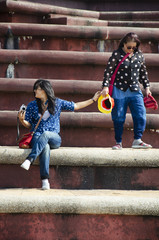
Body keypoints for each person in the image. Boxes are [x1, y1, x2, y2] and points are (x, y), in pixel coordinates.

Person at [19, 79, 101, 190]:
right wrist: (21, 119)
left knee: (47, 134)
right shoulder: (32, 105)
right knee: (45, 147)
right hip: (37, 136)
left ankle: (29, 159)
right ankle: (45, 180)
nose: (34, 91)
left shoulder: (57, 102)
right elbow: (28, 124)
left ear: (44, 90)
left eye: (37, 88)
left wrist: (93, 100)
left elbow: (75, 106)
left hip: (54, 137)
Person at [101, 32, 152, 150]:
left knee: (140, 115)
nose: (131, 49)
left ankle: (137, 140)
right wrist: (105, 87)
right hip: (119, 89)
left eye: (134, 47)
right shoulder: (116, 54)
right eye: (129, 47)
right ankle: (118, 142)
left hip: (135, 89)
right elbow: (108, 71)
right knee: (118, 117)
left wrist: (147, 87)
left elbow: (143, 73)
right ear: (123, 44)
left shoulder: (139, 55)